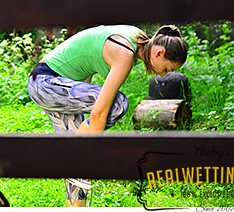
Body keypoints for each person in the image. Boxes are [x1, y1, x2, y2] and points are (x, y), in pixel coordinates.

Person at [27, 24, 188, 207]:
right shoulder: (126, 54)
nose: (162, 75)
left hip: (57, 84)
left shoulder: (138, 37)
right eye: (166, 69)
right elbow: (99, 113)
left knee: (78, 175)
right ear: (159, 53)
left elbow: (87, 55)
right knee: (118, 104)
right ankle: (74, 153)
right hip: (47, 83)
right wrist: (89, 146)